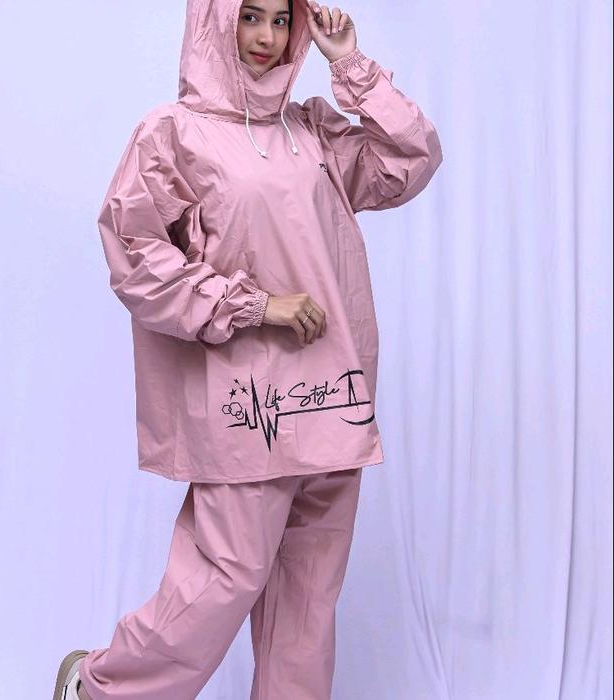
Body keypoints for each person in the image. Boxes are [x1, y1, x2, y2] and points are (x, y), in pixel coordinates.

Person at [53, 0, 442, 697]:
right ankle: (99, 690)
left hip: (335, 395)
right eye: (250, 16)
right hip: (246, 402)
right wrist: (254, 305)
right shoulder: (174, 134)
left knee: (307, 602)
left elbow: (409, 160)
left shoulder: (312, 131)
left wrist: (350, 65)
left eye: (281, 20)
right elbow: (135, 255)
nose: (267, 37)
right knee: (223, 577)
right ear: (217, 19)